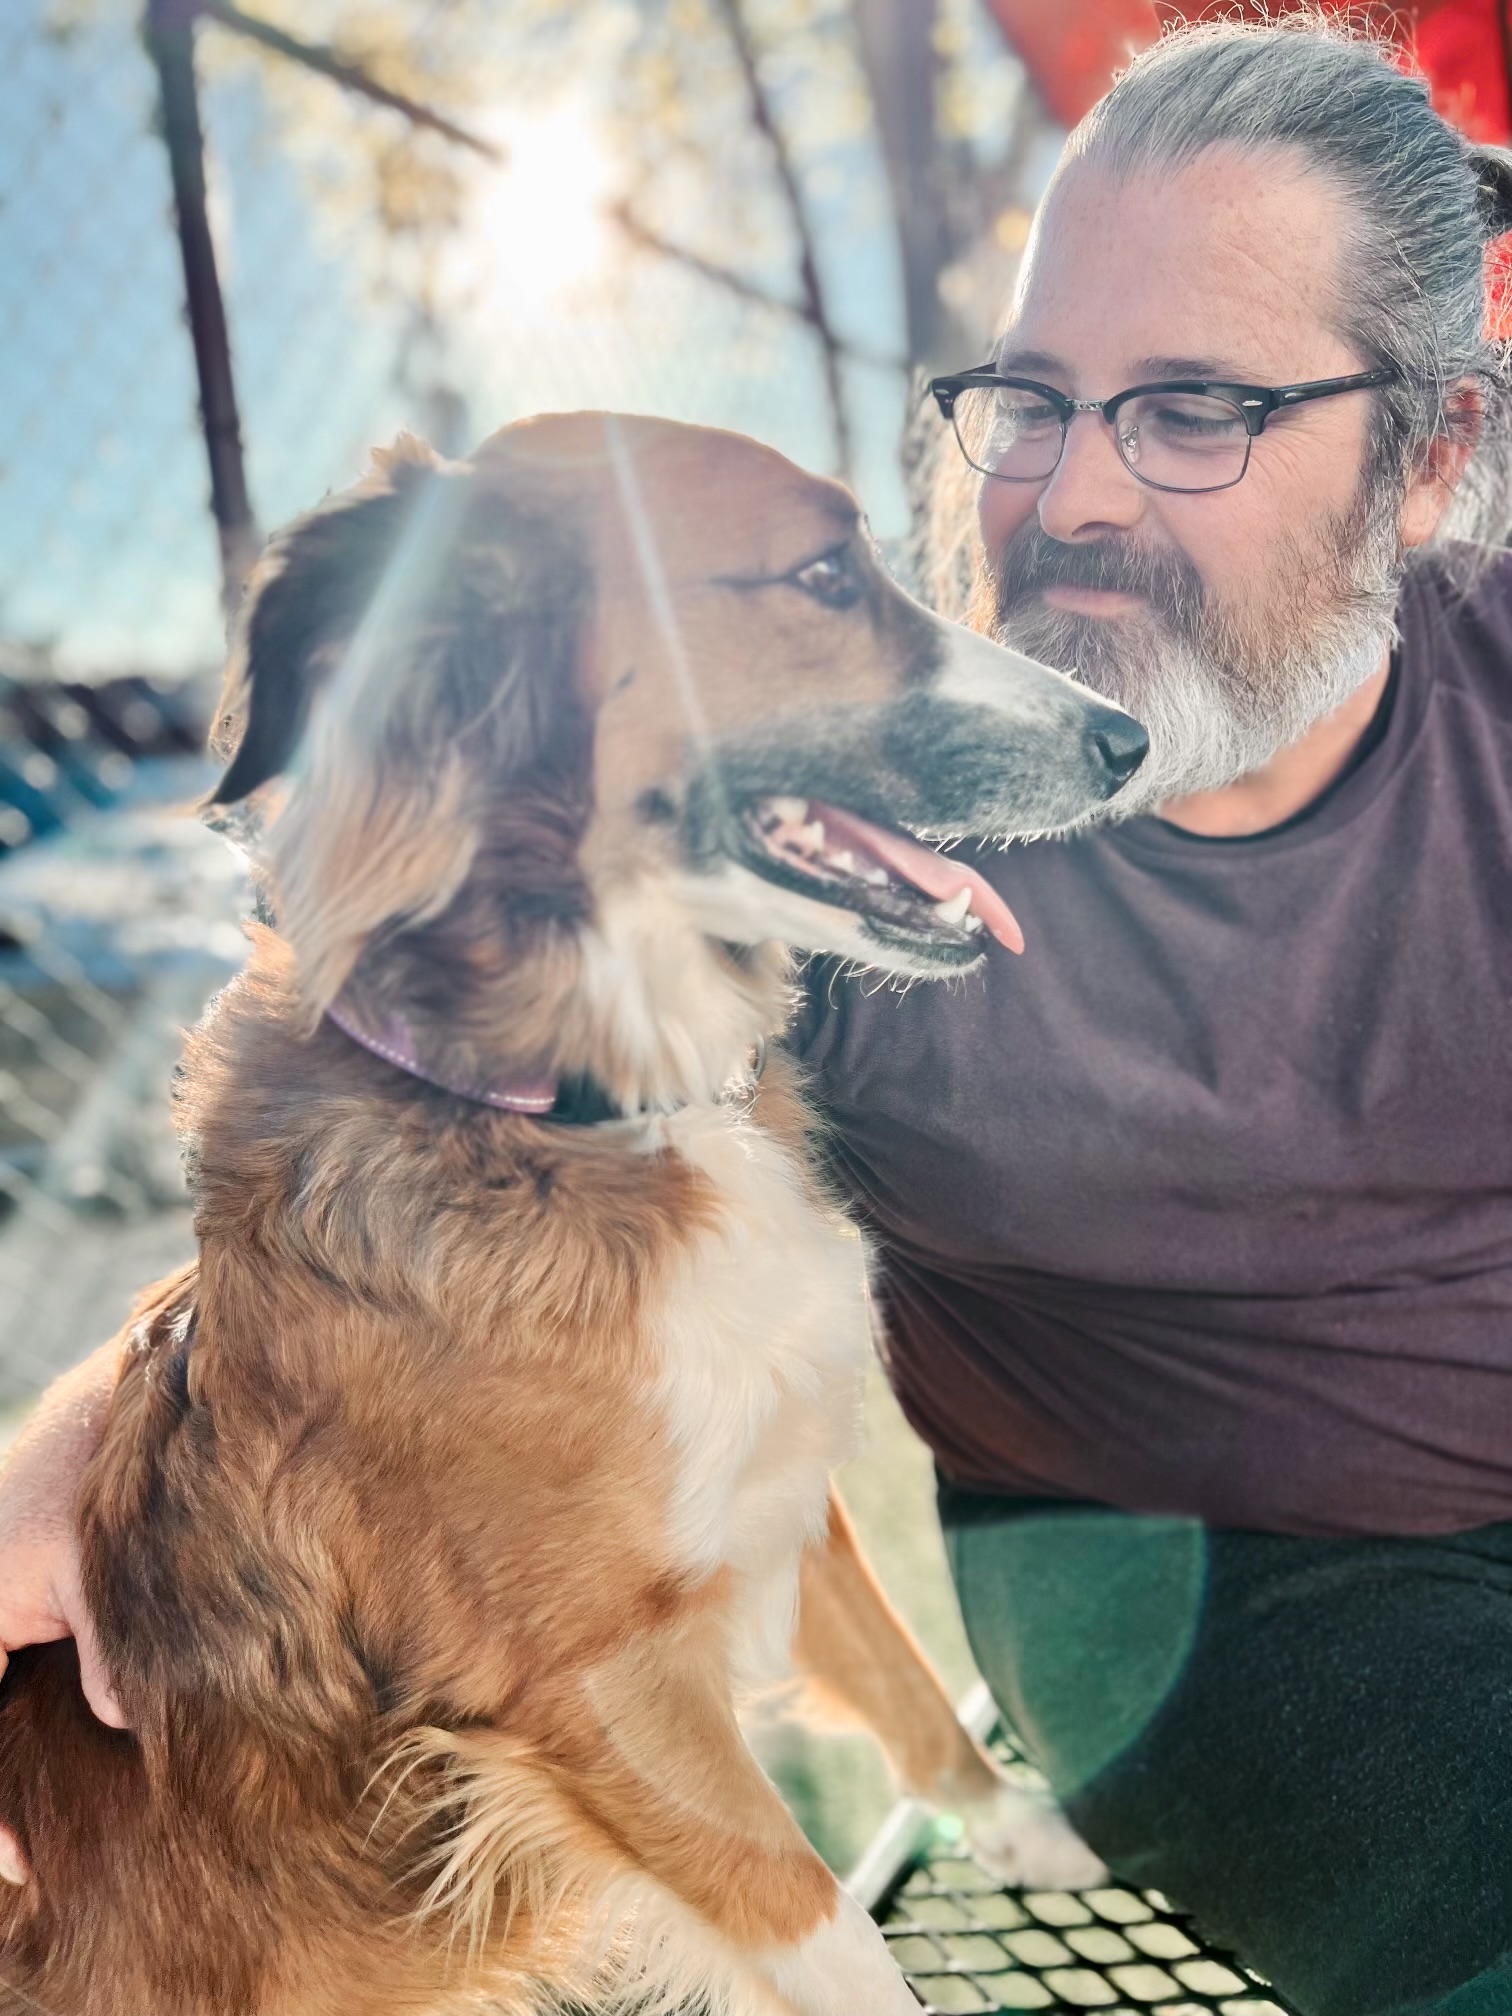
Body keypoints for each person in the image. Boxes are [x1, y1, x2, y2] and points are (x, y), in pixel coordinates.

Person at [3, 16, 1511, 2011]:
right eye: (1031, 400)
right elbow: (402, 1133)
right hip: (1239, 1593)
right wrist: (98, 1439)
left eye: (1196, 411)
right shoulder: (824, 894)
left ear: (1428, 465)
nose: (1067, 496)